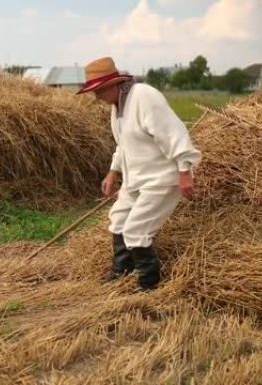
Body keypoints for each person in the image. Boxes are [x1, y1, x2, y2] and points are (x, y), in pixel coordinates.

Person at [77, 57, 201, 290]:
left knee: (136, 230)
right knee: (118, 221)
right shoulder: (118, 107)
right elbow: (123, 145)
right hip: (136, 180)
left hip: (161, 179)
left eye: (100, 91)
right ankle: (121, 271)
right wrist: (113, 172)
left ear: (115, 83)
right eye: (95, 92)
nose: (98, 97)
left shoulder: (144, 97)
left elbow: (173, 133)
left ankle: (148, 284)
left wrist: (184, 170)